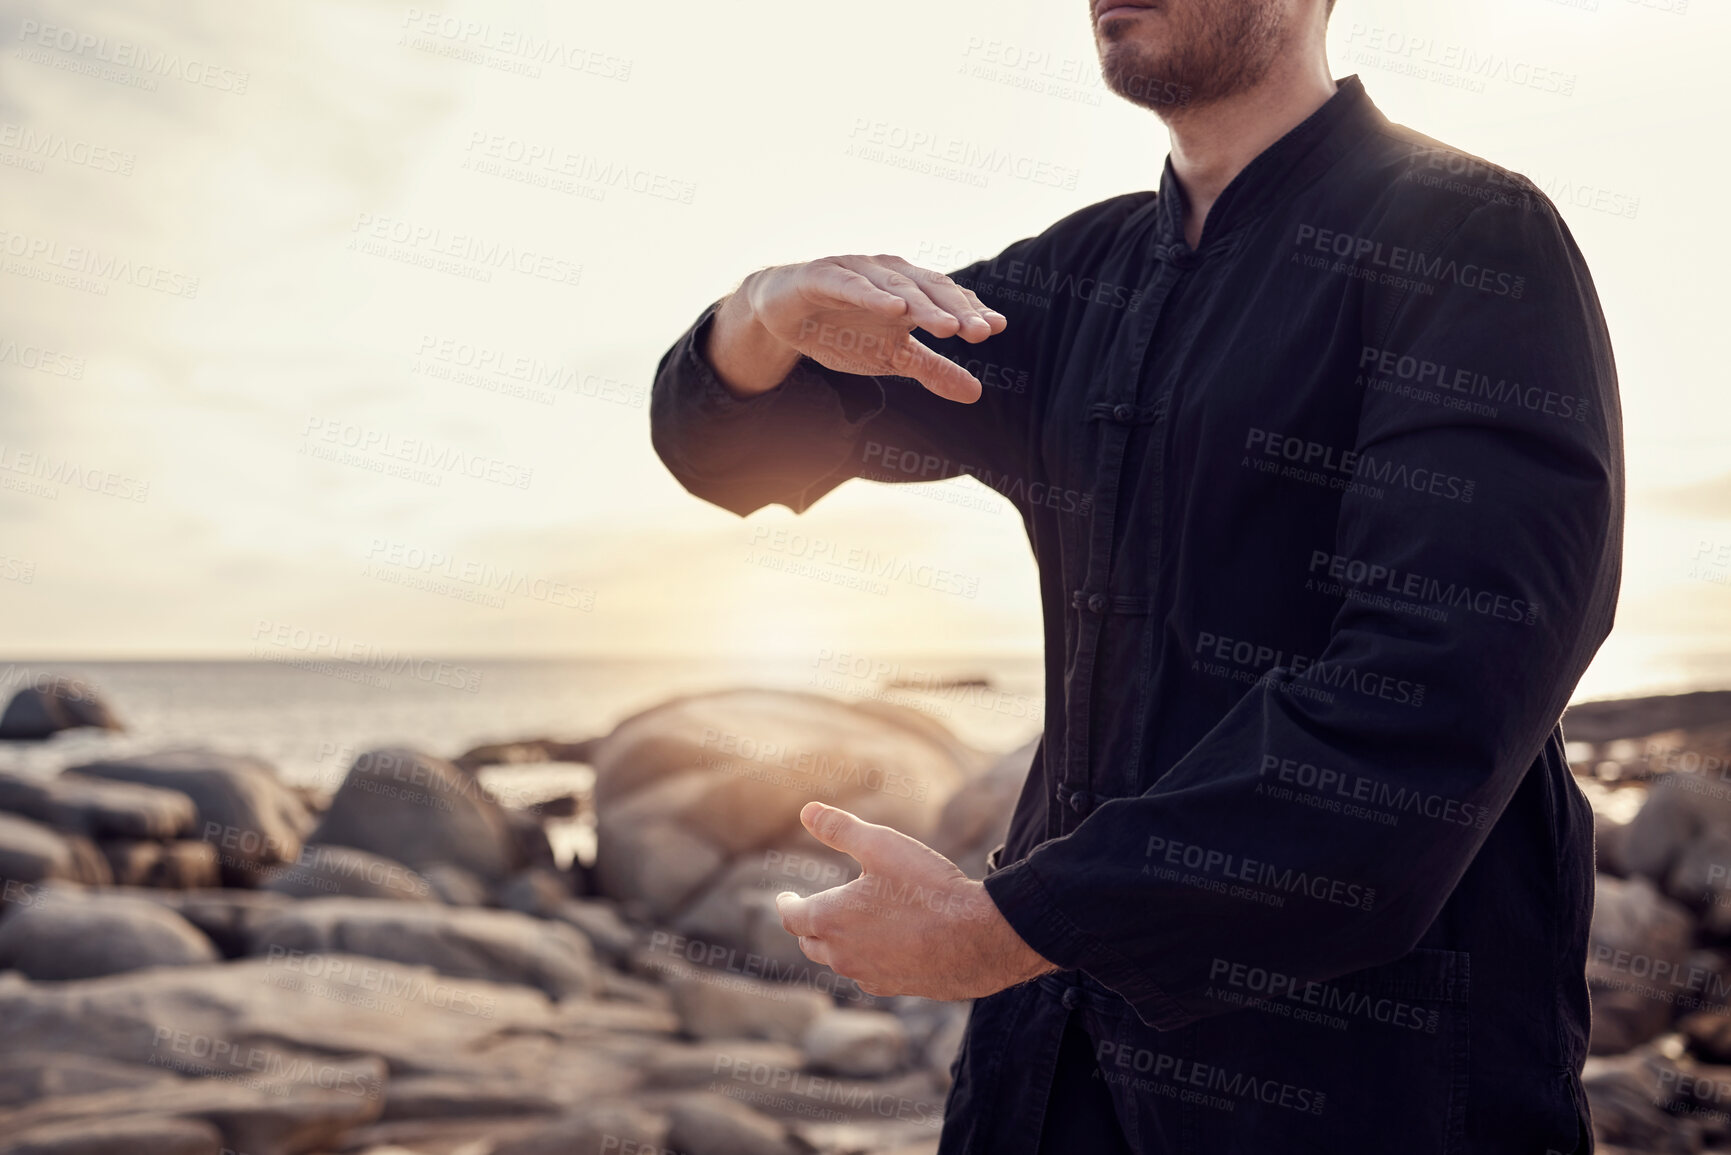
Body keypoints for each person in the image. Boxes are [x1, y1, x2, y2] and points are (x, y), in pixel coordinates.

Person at [648, 0, 1623, 1150]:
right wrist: (761, 312)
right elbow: (733, 446)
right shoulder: (1079, 283)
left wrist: (1006, 926)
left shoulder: (1469, 238)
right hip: (1045, 1084)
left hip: (1365, 1086)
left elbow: (1431, 699)